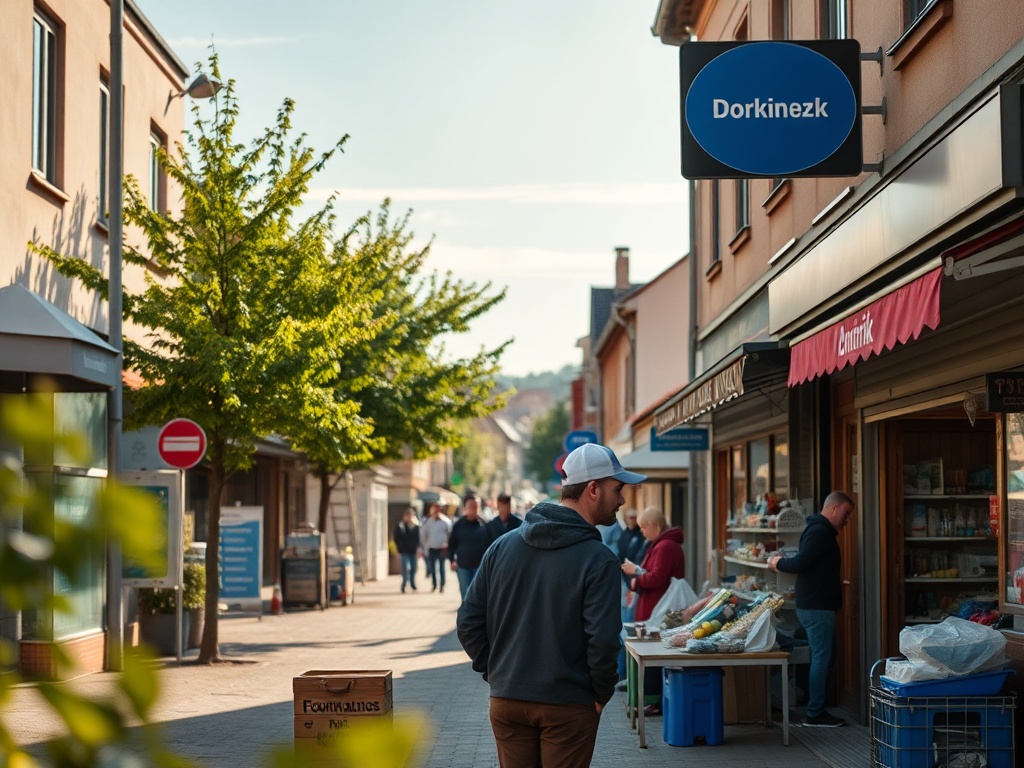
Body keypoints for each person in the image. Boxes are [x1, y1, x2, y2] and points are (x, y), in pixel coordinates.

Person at [457, 442, 646, 767]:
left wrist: (498, 674)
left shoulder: (503, 546)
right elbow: (602, 642)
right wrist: (600, 696)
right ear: (592, 489)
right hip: (568, 705)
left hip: (508, 700)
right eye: (618, 488)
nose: (622, 499)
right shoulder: (598, 559)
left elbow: (467, 624)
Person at [767, 490, 854, 728]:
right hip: (817, 608)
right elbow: (801, 562)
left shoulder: (820, 531)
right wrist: (778, 563)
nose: (847, 520)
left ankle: (813, 706)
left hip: (816, 606)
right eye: (846, 513)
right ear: (834, 508)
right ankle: (814, 713)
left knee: (822, 657)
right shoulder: (819, 532)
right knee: (821, 658)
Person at [621, 506, 684, 715]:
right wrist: (638, 575)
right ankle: (651, 700)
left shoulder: (665, 546)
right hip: (653, 607)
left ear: (655, 525)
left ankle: (654, 701)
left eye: (644, 527)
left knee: (654, 657)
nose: (641, 531)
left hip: (657, 609)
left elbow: (657, 577)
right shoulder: (661, 545)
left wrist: (636, 576)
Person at [448, 493, 491, 600]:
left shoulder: (485, 525)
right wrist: (452, 559)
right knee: (465, 595)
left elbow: (491, 545)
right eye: (471, 506)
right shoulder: (458, 525)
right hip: (462, 566)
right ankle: (466, 616)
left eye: (476, 507)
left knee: (478, 595)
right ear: (465, 508)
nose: (474, 509)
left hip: (480, 566)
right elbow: (452, 544)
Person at [420, 502, 452, 593]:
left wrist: (447, 544)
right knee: (432, 568)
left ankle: (442, 585)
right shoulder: (428, 522)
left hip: (442, 548)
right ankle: (434, 585)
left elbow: (450, 534)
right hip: (431, 547)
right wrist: (425, 547)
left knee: (442, 567)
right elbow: (423, 535)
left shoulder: (446, 521)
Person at [393, 507, 421, 593]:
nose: (409, 518)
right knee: (404, 568)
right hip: (404, 551)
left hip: (413, 551)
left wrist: (418, 549)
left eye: (411, 515)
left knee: (413, 568)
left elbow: (419, 539)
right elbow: (396, 537)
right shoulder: (401, 527)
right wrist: (399, 547)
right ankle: (404, 583)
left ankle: (412, 582)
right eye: (407, 516)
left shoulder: (416, 527)